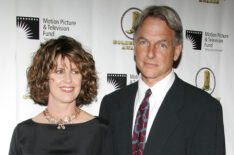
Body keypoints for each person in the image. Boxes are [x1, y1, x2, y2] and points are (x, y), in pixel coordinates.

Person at [99, 5, 225, 155]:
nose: (150, 53)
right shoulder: (111, 104)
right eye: (144, 42)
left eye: (162, 45)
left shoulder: (205, 109)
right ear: (134, 46)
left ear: (177, 51)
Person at [9, 36, 113, 155]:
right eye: (59, 71)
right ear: (44, 77)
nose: (68, 80)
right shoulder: (23, 133)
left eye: (75, 72)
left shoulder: (100, 131)